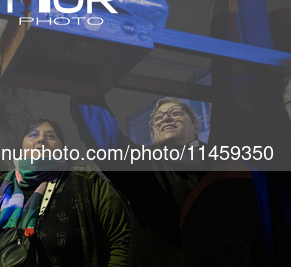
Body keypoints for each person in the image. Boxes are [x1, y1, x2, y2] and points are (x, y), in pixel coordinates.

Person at [71, 96, 272, 266]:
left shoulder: (222, 161)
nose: (165, 118)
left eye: (176, 112)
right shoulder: (143, 163)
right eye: (157, 117)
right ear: (154, 133)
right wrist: (88, 92)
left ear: (195, 126)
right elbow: (108, 141)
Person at [0, 118, 129, 267]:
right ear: (21, 147)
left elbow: (121, 240)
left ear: (62, 148)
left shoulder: (88, 183)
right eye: (33, 135)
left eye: (51, 136)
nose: (41, 140)